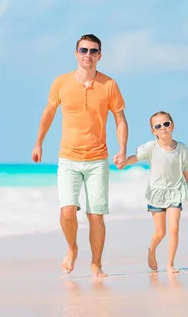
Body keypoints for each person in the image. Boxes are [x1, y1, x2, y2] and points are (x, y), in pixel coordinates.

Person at [31, 33, 128, 278]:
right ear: (76, 54)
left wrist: (122, 149)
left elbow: (120, 119)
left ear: (100, 56)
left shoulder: (109, 85)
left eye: (93, 51)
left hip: (98, 160)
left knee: (95, 215)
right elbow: (49, 113)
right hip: (68, 158)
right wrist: (38, 143)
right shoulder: (61, 83)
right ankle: (72, 248)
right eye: (83, 50)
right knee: (67, 211)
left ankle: (96, 263)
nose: (88, 55)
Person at [122, 111, 188, 274]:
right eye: (158, 126)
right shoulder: (151, 147)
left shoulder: (182, 149)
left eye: (166, 124)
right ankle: (151, 251)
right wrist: (124, 162)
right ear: (153, 131)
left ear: (172, 125)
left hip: (175, 192)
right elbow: (135, 158)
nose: (163, 128)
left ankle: (170, 264)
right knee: (160, 232)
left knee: (174, 228)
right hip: (157, 194)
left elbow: (186, 171)